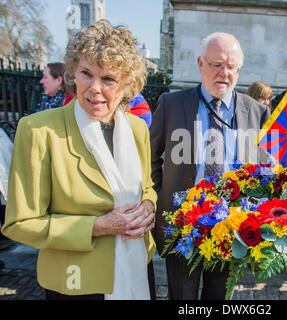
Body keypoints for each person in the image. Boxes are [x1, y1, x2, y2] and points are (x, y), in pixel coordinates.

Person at [1, 20, 157, 300]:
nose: (94, 88)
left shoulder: (137, 129)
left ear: (127, 85)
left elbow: (146, 187)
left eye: (108, 79)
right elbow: (19, 223)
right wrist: (97, 227)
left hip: (136, 270)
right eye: (86, 73)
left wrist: (147, 206)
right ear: (73, 71)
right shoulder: (38, 130)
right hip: (76, 284)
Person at [150, 32, 271, 300]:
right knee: (181, 296)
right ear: (200, 64)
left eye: (231, 67)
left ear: (238, 70)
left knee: (219, 296)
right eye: (216, 64)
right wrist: (161, 196)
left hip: (232, 227)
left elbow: (266, 169)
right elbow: (150, 156)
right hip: (182, 223)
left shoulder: (257, 112)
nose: (224, 73)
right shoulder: (172, 104)